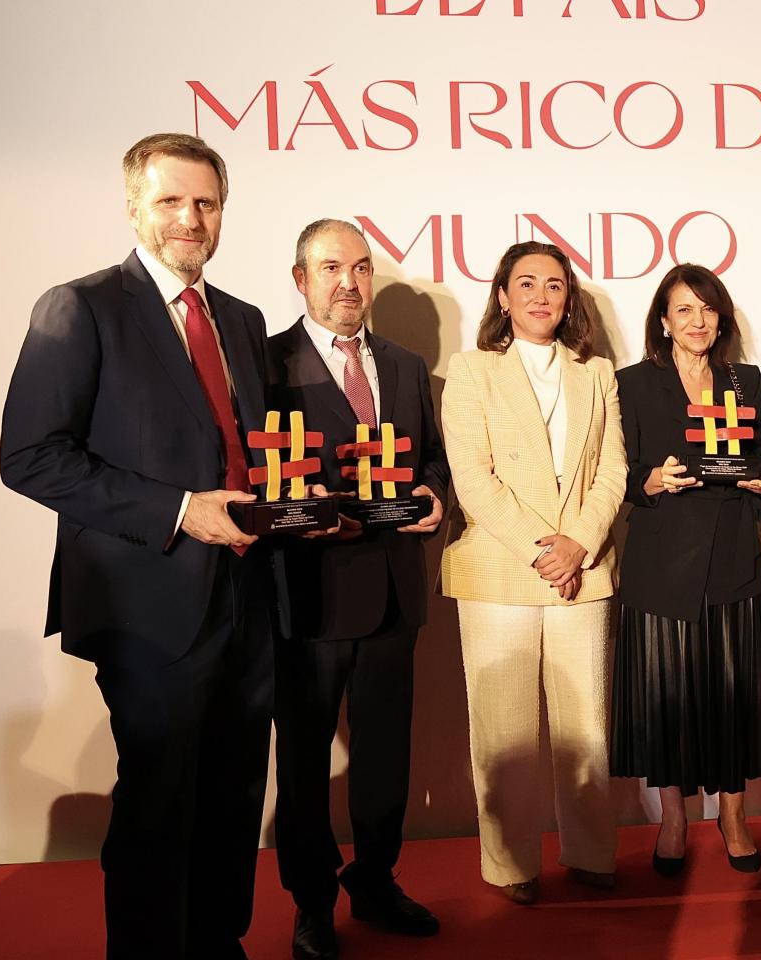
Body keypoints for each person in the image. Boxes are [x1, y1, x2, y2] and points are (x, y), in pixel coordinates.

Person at [0, 132, 274, 959]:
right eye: (171, 201)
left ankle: (219, 945)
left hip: (248, 598)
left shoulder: (244, 319)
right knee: (159, 804)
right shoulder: (77, 307)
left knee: (232, 800)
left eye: (207, 203)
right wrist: (179, 510)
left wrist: (304, 509)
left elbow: (251, 452)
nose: (191, 219)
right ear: (133, 208)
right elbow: (30, 456)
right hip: (147, 604)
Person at [265, 219, 451, 959]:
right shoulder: (266, 362)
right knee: (305, 763)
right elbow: (252, 472)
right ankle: (312, 906)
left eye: (362, 268)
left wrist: (437, 500)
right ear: (301, 278)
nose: (349, 283)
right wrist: (295, 510)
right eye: (332, 267)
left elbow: (433, 461)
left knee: (384, 758)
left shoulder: (406, 366)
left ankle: (374, 880)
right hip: (307, 596)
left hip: (393, 595)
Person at [439, 241, 627, 904]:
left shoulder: (597, 370)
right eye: (526, 283)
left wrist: (578, 543)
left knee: (587, 727)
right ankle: (510, 865)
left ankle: (591, 852)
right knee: (506, 730)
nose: (541, 296)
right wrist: (543, 548)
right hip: (499, 568)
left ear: (568, 298)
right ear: (502, 297)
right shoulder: (471, 370)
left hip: (584, 567)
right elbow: (473, 479)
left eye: (554, 284)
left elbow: (613, 470)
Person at [609, 264, 761, 875]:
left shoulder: (744, 379)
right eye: (683, 310)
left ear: (722, 316)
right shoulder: (633, 383)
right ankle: (675, 818)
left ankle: (733, 815)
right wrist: (650, 481)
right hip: (662, 560)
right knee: (667, 697)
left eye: (707, 309)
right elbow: (616, 472)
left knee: (732, 692)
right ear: (663, 320)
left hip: (733, 551)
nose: (697, 321)